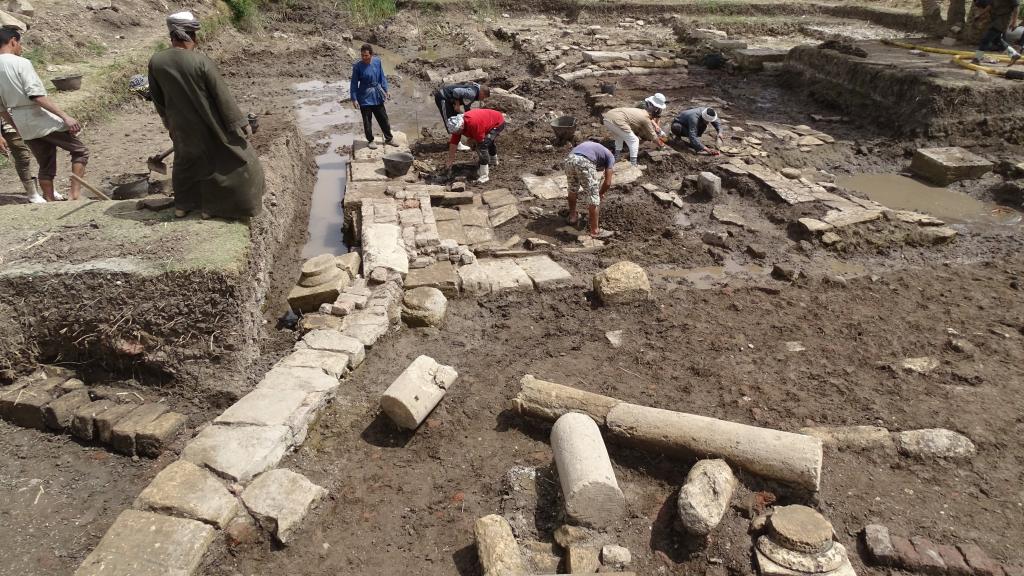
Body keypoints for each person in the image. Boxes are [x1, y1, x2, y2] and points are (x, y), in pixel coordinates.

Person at [148, 11, 265, 220]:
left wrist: (169, 123)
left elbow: (158, 99)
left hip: (180, 126)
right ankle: (211, 208)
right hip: (210, 124)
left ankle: (182, 206)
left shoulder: (156, 61)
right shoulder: (201, 62)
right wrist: (240, 123)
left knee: (186, 162)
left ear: (172, 36)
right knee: (239, 161)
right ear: (192, 36)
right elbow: (223, 97)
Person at [0, 27, 87, 201]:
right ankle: (75, 195)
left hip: (22, 123)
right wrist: (65, 117)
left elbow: (1, 108)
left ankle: (50, 202)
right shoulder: (21, 63)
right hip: (37, 116)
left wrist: (17, 126)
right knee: (80, 151)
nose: (21, 48)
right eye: (20, 44)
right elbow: (36, 96)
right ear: (13, 41)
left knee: (45, 164)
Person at [564, 140, 615, 239]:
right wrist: (600, 193)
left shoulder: (593, 146)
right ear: (611, 150)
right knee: (593, 196)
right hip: (584, 162)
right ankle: (595, 231)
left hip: (569, 159)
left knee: (572, 189)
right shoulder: (610, 155)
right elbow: (608, 183)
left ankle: (573, 217)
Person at [349, 43, 394, 150]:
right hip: (364, 96)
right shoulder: (357, 67)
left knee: (383, 118)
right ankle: (370, 140)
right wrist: (354, 99)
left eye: (366, 56)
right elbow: (354, 83)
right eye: (362, 56)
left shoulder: (377, 62)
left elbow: (382, 77)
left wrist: (386, 90)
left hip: (377, 94)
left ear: (371, 55)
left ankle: (389, 138)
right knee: (367, 121)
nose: (364, 58)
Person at [446, 108, 505, 184]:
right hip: (487, 122)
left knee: (483, 146)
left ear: (462, 125)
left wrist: (472, 142)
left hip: (498, 122)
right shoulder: (457, 126)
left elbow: (480, 142)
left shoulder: (473, 124)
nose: (458, 133)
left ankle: (484, 175)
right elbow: (454, 143)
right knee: (488, 141)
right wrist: (450, 159)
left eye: (458, 131)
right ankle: (493, 161)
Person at [435, 81, 489, 151]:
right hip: (443, 97)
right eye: (483, 97)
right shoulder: (472, 93)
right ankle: (457, 144)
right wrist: (457, 105)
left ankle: (454, 141)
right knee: (450, 121)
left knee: (457, 120)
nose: (482, 99)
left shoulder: (474, 93)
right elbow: (456, 92)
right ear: (482, 93)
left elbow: (467, 108)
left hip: (450, 101)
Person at [0, 117, 42, 202]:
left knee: (35, 154)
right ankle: (33, 194)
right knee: (23, 157)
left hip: (21, 122)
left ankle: (41, 191)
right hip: (7, 127)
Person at [972, 0, 1021, 64]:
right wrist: (980, 15)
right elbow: (990, 5)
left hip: (1002, 21)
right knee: (997, 41)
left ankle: (977, 59)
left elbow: (1016, 8)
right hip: (994, 19)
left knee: (985, 40)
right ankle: (1014, 55)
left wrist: (1014, 22)